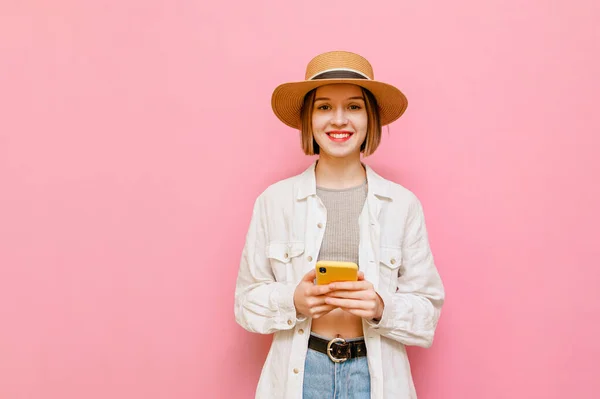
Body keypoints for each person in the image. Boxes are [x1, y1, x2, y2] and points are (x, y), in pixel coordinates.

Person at [234, 50, 445, 399]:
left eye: (354, 106)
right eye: (323, 107)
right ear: (308, 118)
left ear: (370, 117)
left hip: (375, 377)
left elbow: (428, 310)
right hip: (301, 375)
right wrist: (294, 300)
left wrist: (380, 307)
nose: (339, 119)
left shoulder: (402, 205)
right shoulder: (274, 201)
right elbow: (245, 302)